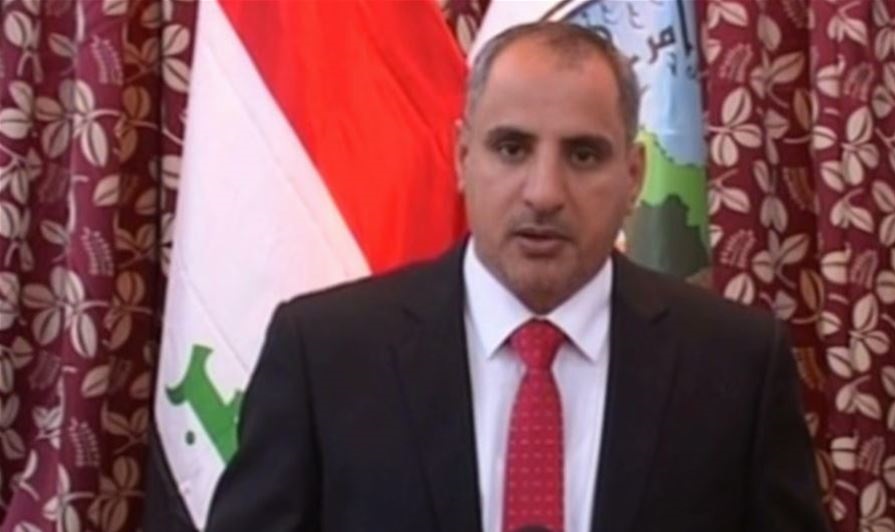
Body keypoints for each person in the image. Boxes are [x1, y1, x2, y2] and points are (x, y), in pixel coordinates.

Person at [202, 22, 829, 532]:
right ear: (461, 157)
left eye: (583, 154)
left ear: (634, 176)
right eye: (512, 149)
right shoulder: (325, 353)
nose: (544, 192)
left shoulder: (735, 364)